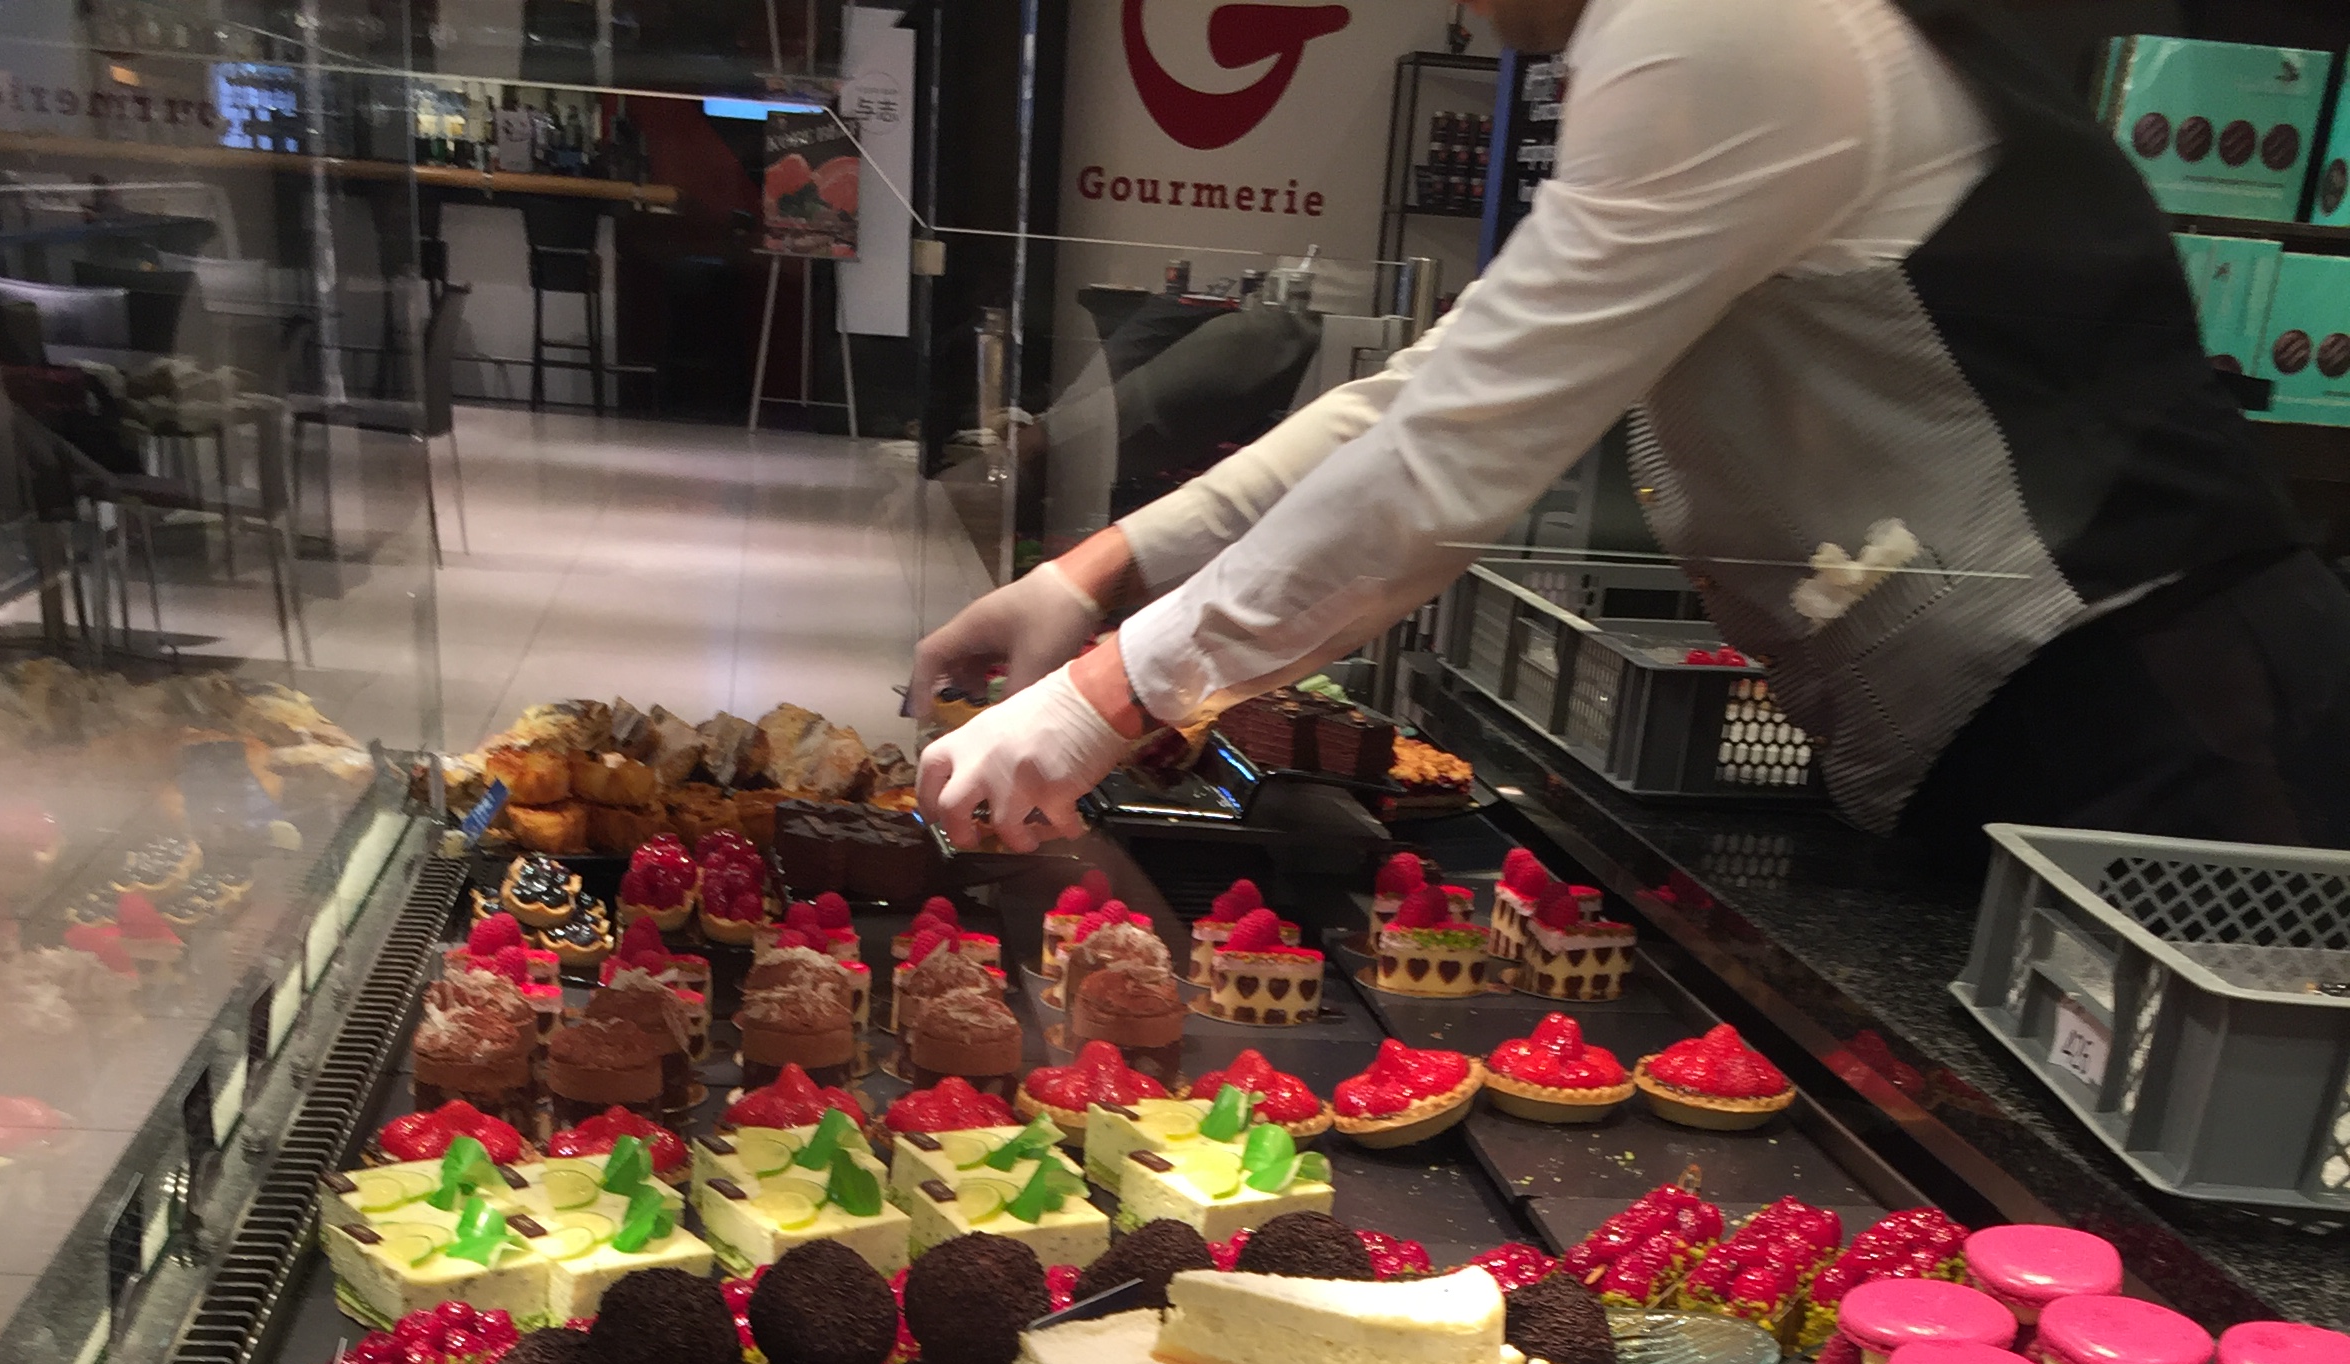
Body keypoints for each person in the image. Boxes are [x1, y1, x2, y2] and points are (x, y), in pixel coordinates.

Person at [913, 0, 2350, 864]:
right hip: (2040, 706)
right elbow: (1434, 389)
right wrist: (1094, 574)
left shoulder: (1723, 26)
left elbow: (1452, 462)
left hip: (2161, 708)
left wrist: (1108, 699)